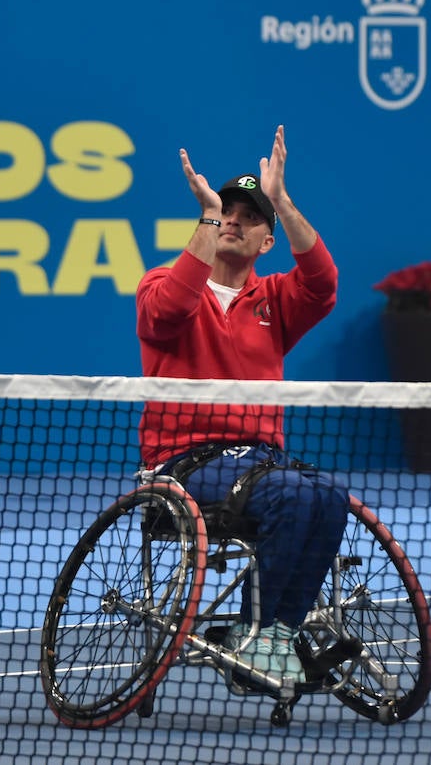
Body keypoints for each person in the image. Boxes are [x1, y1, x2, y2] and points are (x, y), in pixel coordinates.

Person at [135, 124, 348, 690]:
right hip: (184, 464)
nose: (232, 219)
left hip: (257, 460)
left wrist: (282, 201)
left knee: (329, 495)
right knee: (295, 491)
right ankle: (256, 636)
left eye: (248, 216)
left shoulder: (277, 300)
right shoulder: (163, 282)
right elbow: (170, 312)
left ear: (267, 241)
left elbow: (323, 285)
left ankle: (273, 636)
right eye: (223, 211)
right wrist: (205, 218)